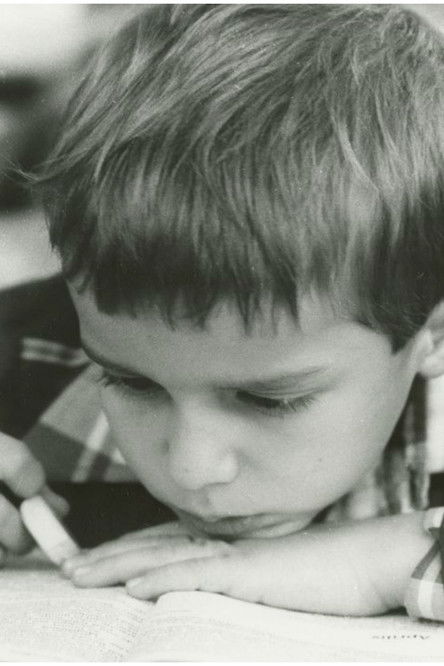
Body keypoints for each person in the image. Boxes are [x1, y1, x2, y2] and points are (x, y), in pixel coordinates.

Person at [3, 4, 444, 620]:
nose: (193, 469)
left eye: (270, 400)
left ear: (432, 329)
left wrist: (389, 561)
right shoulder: (18, 359)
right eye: (130, 381)